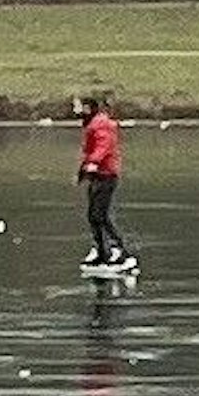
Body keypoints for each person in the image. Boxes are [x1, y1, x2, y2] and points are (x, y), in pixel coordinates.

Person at [77, 96, 133, 269]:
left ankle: (120, 250)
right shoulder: (92, 123)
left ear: (89, 107)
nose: (76, 111)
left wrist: (93, 162)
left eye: (79, 107)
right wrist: (83, 170)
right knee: (93, 216)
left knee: (100, 215)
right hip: (98, 176)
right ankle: (102, 251)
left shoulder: (101, 123)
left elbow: (104, 145)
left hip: (106, 175)